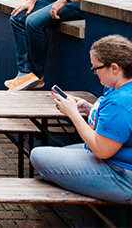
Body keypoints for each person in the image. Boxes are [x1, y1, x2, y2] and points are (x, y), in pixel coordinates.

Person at [30, 35, 132, 210]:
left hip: (123, 175)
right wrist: (88, 108)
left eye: (96, 67)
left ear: (114, 68)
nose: (94, 71)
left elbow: (102, 150)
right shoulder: (120, 89)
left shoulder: (121, 102)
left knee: (38, 157)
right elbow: (116, 126)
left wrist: (73, 115)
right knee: (55, 165)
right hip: (117, 161)